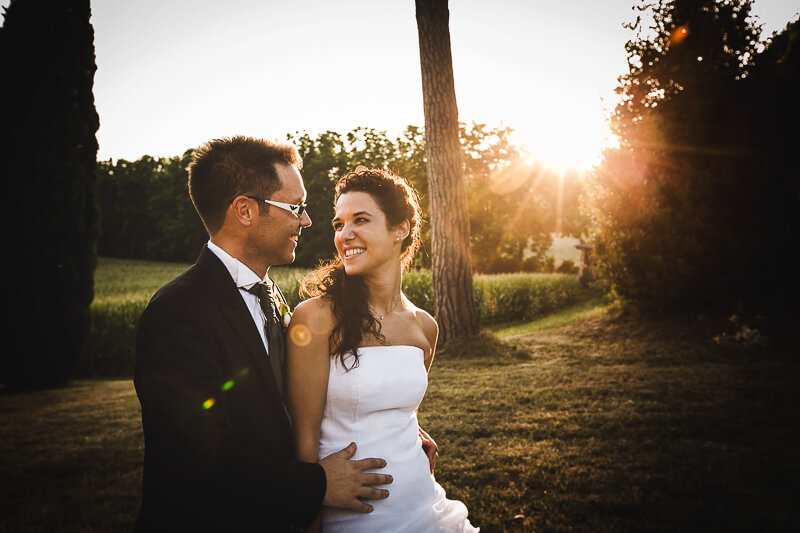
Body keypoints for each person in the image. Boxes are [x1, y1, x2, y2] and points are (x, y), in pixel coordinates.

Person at [134, 137, 393, 532]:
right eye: (296, 208)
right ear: (245, 211)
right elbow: (199, 462)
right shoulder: (177, 313)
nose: (306, 221)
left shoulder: (272, 295)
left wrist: (390, 426)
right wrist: (318, 483)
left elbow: (298, 397)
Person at [287, 167, 479, 532]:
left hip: (424, 502)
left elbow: (399, 409)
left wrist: (417, 437)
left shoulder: (425, 326)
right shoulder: (316, 318)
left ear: (400, 229)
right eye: (339, 224)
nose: (345, 235)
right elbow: (304, 445)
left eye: (360, 220)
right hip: (352, 515)